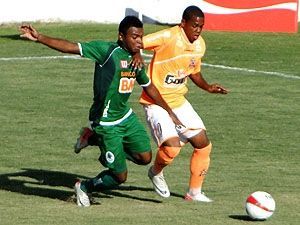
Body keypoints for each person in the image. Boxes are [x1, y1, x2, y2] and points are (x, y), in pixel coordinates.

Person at [19, 16, 182, 207]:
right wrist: (40, 37)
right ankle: (84, 187)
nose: (139, 42)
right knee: (120, 177)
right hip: (105, 122)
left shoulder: (135, 59)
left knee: (145, 157)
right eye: (135, 37)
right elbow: (71, 47)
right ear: (121, 37)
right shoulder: (106, 51)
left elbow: (149, 86)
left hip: (125, 117)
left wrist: (168, 110)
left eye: (141, 37)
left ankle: (92, 139)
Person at [139, 5, 228, 202]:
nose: (198, 30)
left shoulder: (199, 45)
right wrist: (136, 55)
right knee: (171, 149)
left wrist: (207, 87)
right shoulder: (168, 37)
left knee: (203, 144)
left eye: (201, 27)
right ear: (183, 23)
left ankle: (194, 192)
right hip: (156, 102)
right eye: (195, 26)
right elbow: (136, 42)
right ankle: (155, 172)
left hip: (179, 101)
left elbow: (193, 70)